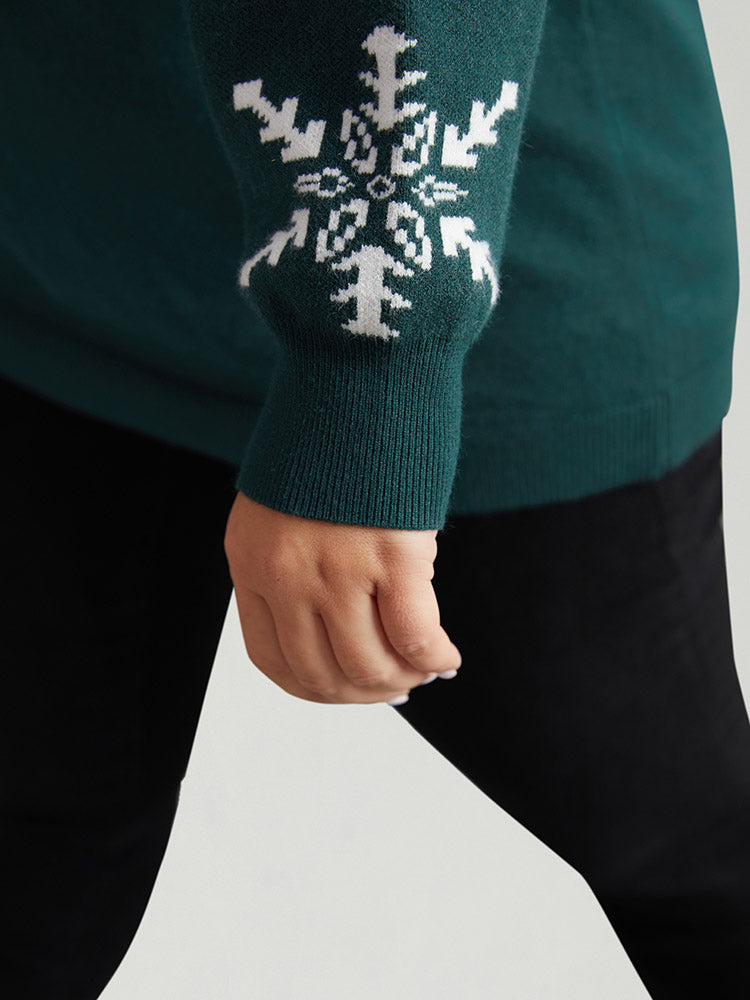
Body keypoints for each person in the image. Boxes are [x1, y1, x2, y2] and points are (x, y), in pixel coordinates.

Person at [1, 1, 748, 997]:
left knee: (686, 860)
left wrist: (368, 367)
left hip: (491, 277)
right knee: (35, 846)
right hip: (65, 231)